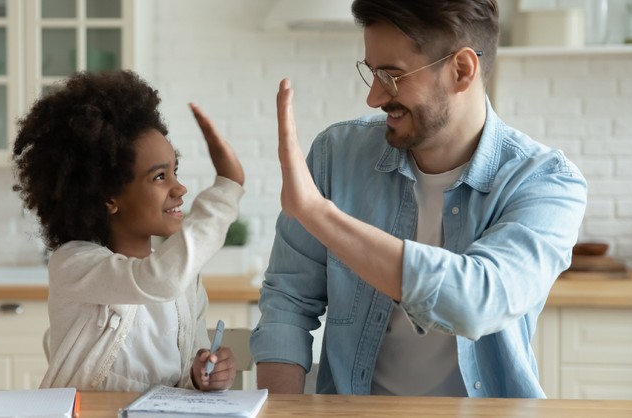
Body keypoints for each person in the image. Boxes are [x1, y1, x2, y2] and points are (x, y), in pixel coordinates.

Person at [250, 0, 587, 398]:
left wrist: (318, 215)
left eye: (392, 77)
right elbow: (288, 302)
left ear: (461, 70)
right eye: (372, 73)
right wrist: (281, 410)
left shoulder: (546, 182)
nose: (374, 97)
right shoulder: (335, 155)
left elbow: (480, 299)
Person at [12, 70, 245, 391]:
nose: (180, 188)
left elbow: (185, 378)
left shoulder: (185, 282)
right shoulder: (75, 264)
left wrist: (200, 374)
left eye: (174, 171)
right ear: (110, 197)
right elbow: (159, 280)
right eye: (159, 176)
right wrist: (227, 188)